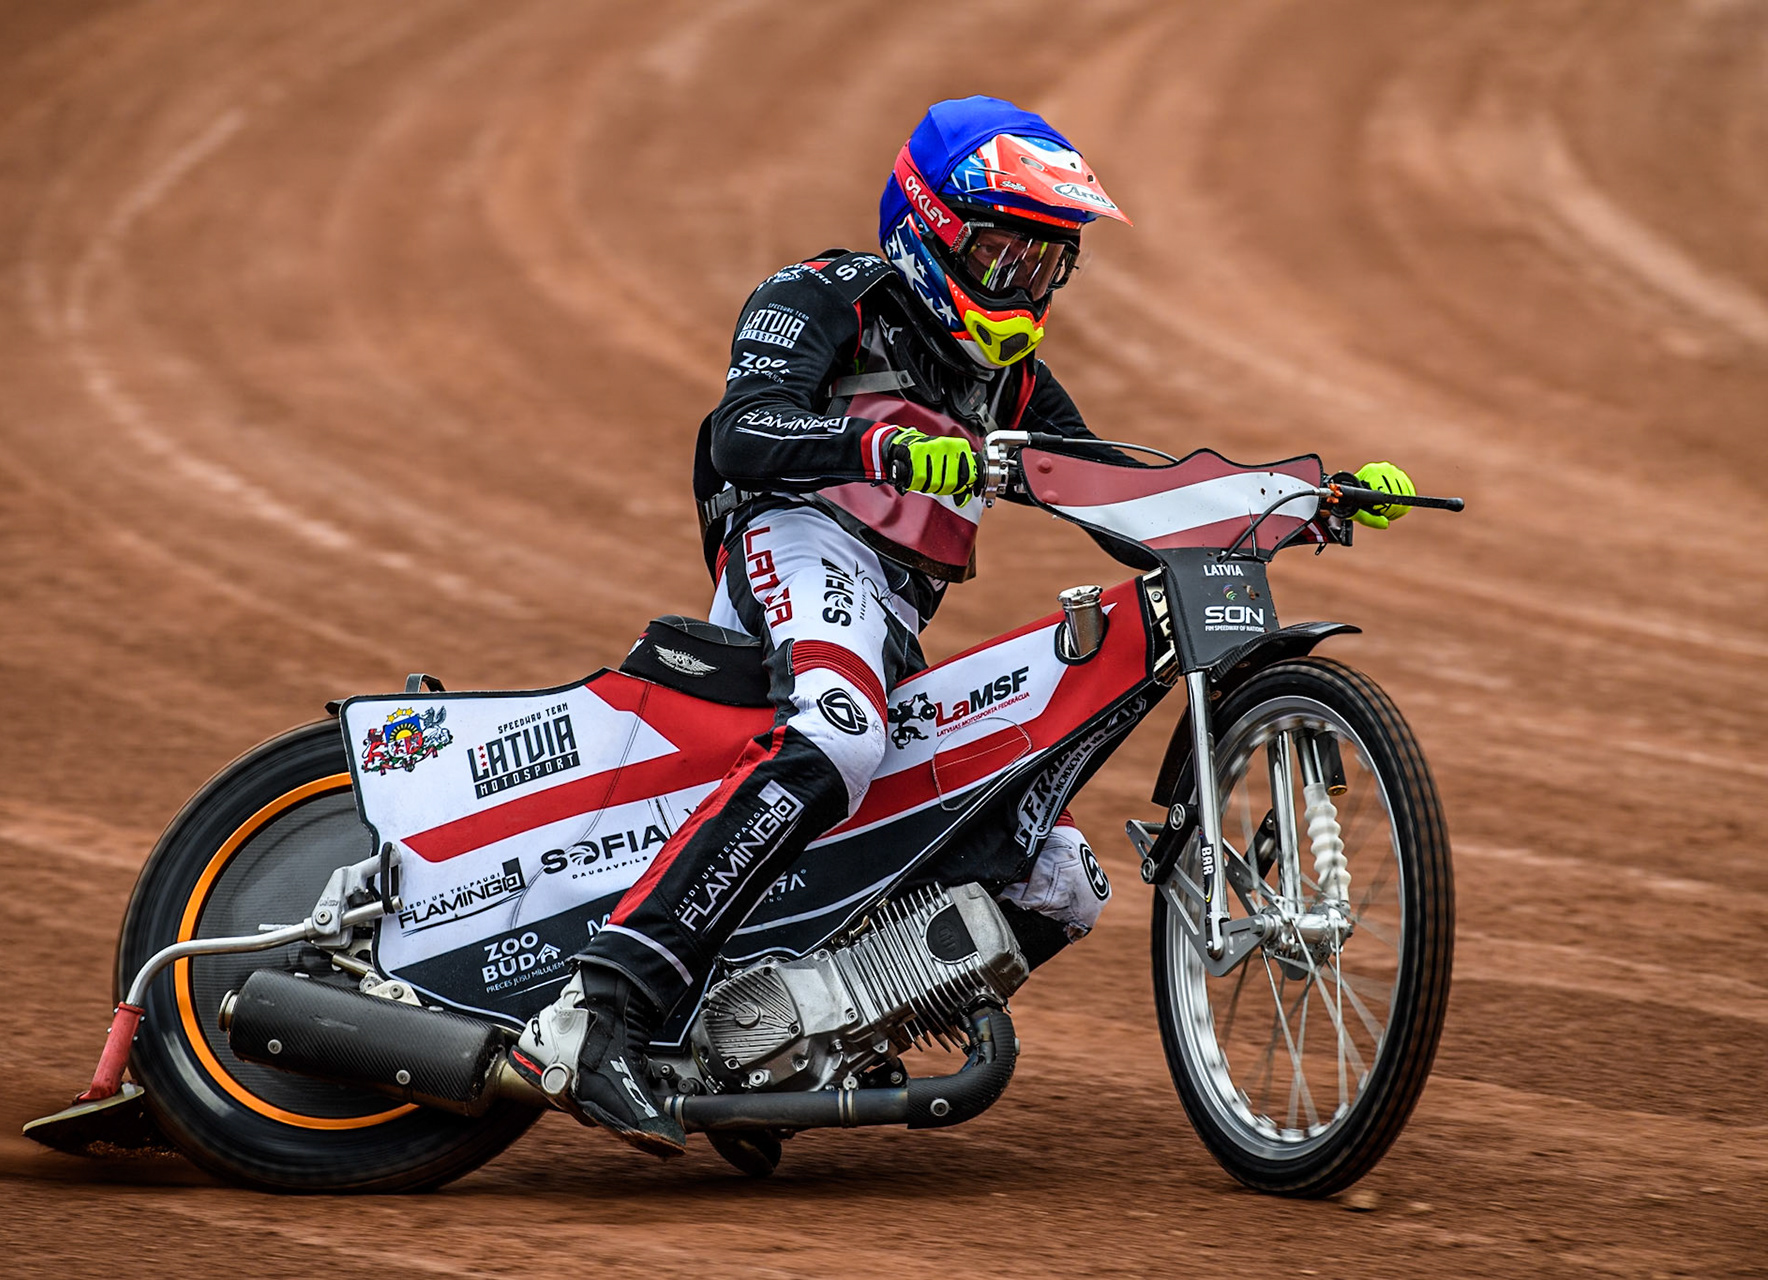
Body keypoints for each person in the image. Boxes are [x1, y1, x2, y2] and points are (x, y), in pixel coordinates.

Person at [512, 96, 1416, 1156]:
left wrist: (1304, 503)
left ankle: (787, 1045)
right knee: (842, 730)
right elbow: (742, 433)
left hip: (888, 618)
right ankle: (596, 1011)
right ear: (929, 228)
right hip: (798, 545)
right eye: (1004, 254)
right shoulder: (819, 296)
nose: (1024, 286)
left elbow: (1127, 499)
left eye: (1047, 264)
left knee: (1060, 880)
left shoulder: (1014, 379)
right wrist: (881, 449)